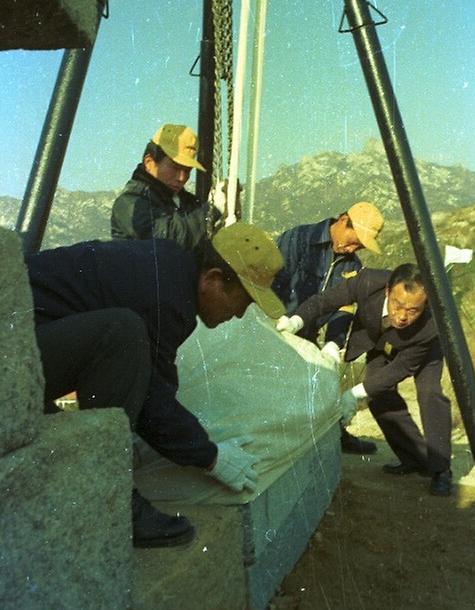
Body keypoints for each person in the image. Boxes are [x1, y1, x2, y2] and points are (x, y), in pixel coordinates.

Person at [26, 223, 286, 547]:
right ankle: (112, 500)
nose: (238, 314)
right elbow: (153, 398)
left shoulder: (171, 270)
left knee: (125, 340)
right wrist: (210, 456)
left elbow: (153, 377)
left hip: (28, 340)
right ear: (213, 280)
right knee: (122, 333)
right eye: (243, 302)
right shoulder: (167, 294)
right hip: (12, 352)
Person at [277, 263, 453, 496]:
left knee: (429, 393)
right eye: (398, 305)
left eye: (413, 311)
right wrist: (296, 320)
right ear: (388, 290)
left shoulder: (432, 323)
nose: (402, 316)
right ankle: (415, 459)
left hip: (422, 350)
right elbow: (325, 301)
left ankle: (441, 469)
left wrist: (354, 394)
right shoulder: (368, 281)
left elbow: (401, 368)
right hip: (381, 342)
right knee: (379, 396)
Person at [273, 202, 384, 455]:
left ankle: (335, 434)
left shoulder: (352, 266)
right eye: (354, 241)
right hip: (279, 326)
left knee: (322, 383)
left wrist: (334, 343)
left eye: (360, 246)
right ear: (343, 220)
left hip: (308, 335)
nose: (353, 248)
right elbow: (272, 282)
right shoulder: (298, 239)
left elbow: (344, 308)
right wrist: (277, 320)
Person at [111, 123, 224, 248]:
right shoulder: (130, 203)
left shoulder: (189, 203)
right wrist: (212, 211)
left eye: (187, 170)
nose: (182, 178)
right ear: (149, 162)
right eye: (175, 168)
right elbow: (167, 239)